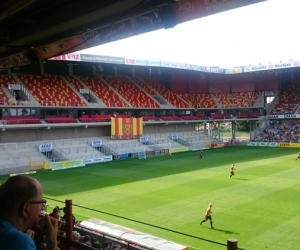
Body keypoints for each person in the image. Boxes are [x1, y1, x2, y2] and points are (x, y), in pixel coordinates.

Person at [0, 175, 58, 250]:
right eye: (41, 203)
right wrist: (52, 244)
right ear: (26, 208)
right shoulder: (20, 242)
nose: (41, 208)